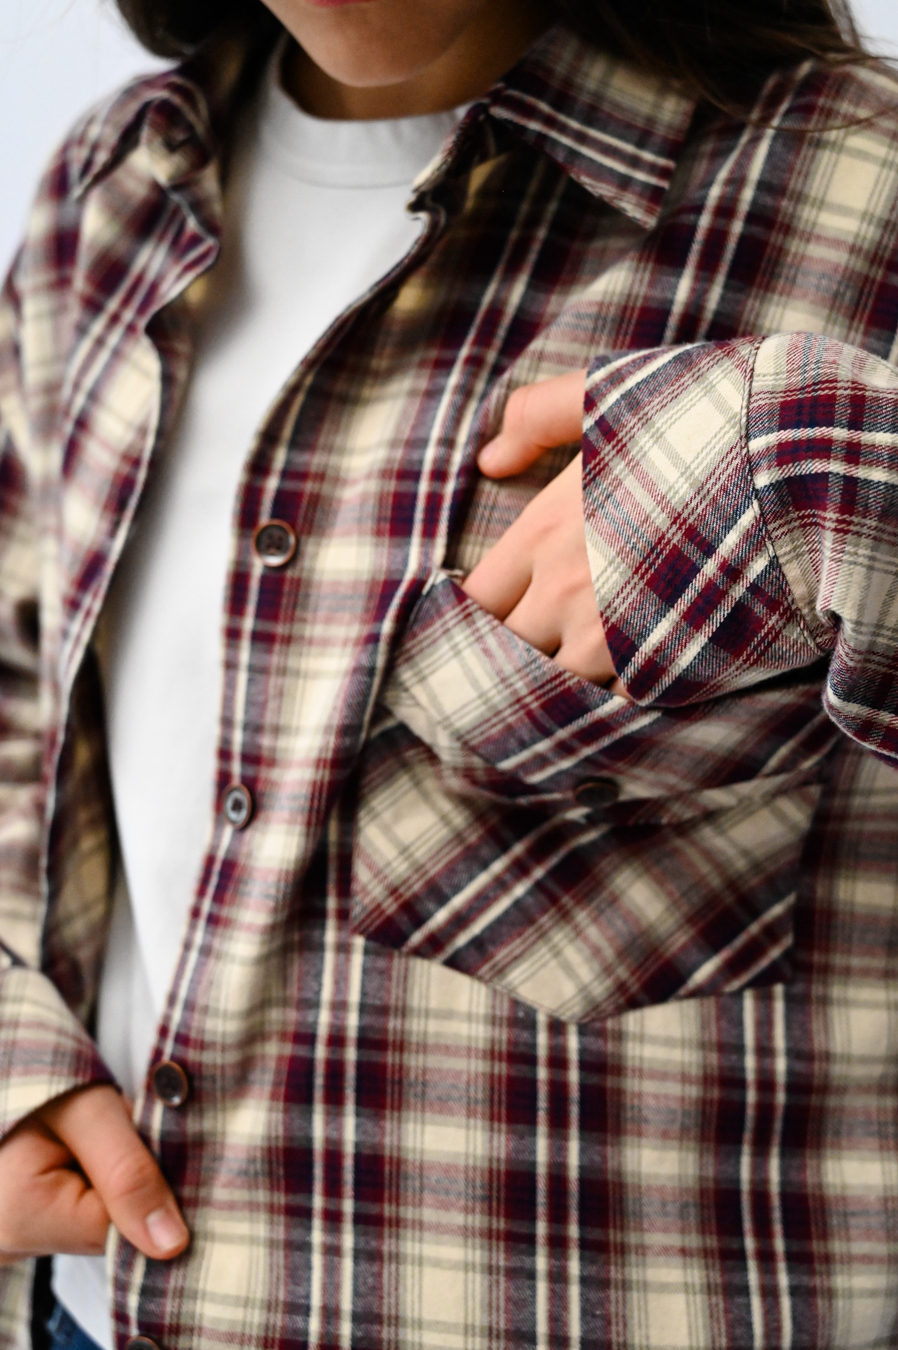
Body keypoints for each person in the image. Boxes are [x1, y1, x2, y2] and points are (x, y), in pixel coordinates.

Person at [1, 0, 898, 1346]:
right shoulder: (110, 187)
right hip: (94, 1310)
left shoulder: (864, 192)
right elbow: (18, 689)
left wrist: (811, 471)